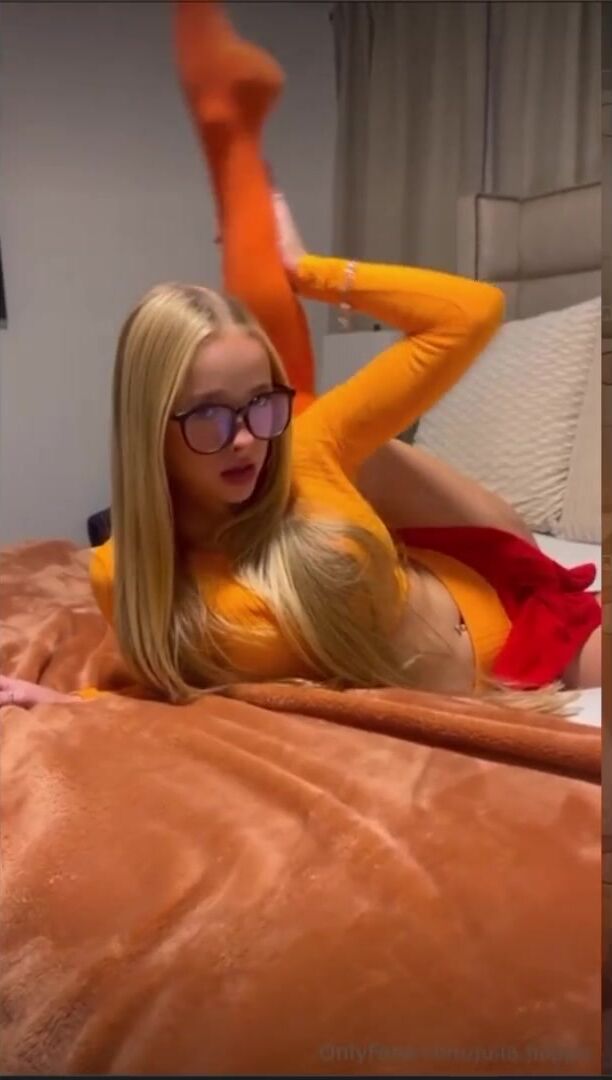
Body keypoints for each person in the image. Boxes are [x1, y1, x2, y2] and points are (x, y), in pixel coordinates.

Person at [0, 2, 600, 710]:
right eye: (209, 417)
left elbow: (472, 313)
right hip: (478, 678)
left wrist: (308, 270)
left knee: (310, 414)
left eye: (260, 405)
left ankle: (235, 151)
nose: (247, 439)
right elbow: (157, 681)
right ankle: (233, 143)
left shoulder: (304, 446)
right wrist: (75, 706)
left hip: (525, 615)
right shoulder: (125, 571)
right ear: (149, 430)